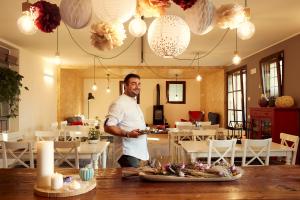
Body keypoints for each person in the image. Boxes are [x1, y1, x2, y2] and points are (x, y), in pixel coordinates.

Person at [104, 73, 149, 167]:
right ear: (125, 86)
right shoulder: (119, 103)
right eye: (133, 83)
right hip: (128, 152)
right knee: (132, 181)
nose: (137, 86)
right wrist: (127, 134)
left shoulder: (133, 101)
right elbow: (108, 126)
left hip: (137, 150)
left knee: (135, 180)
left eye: (139, 84)